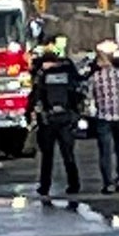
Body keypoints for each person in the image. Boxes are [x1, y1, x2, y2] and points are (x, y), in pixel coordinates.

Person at [26, 44, 83, 199]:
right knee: (68, 154)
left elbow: (35, 97)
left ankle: (45, 186)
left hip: (48, 120)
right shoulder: (67, 74)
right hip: (65, 118)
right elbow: (76, 94)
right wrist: (76, 115)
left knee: (47, 156)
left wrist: (29, 115)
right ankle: (74, 184)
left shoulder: (42, 76)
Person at [87, 41, 119, 194]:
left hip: (103, 118)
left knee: (105, 152)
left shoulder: (94, 78)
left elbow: (88, 98)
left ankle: (108, 182)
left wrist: (91, 112)